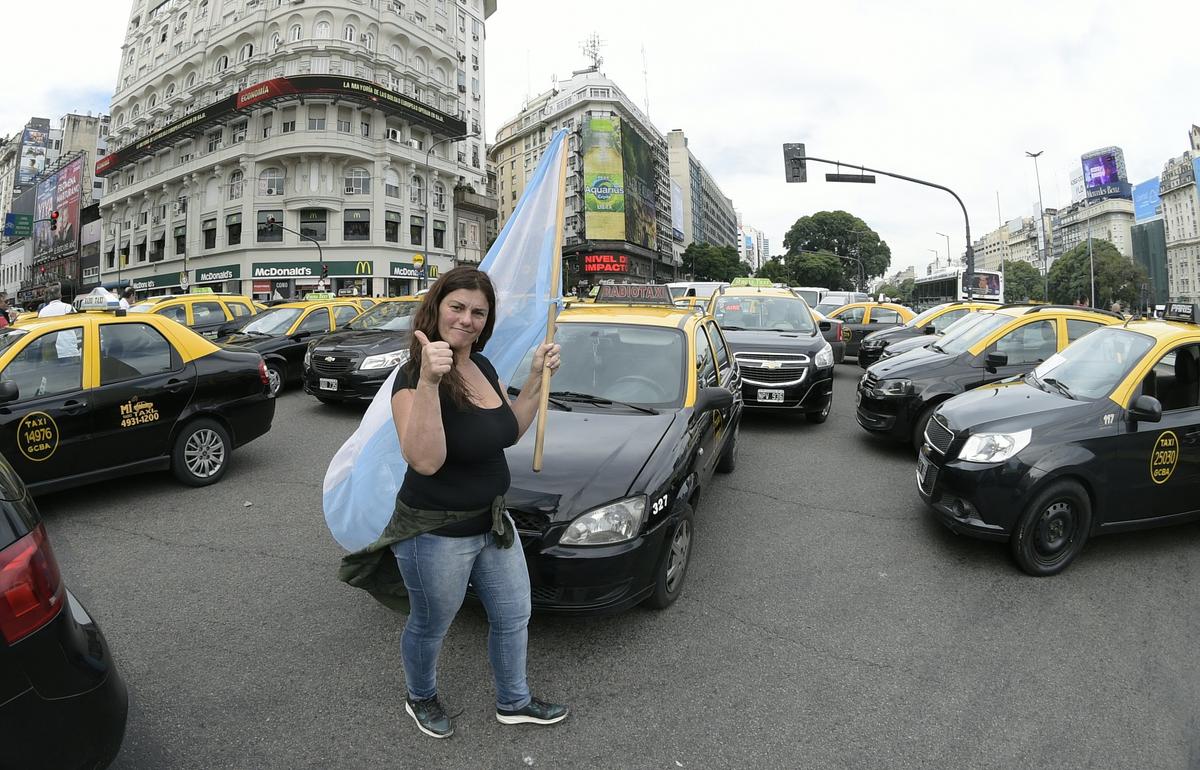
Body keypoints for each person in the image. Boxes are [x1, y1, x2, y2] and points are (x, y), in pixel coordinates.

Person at [340, 266, 567, 739]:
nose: (467, 320)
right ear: (436, 308)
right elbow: (425, 460)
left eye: (478, 312)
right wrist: (427, 382)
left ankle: (515, 701)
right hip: (436, 534)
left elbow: (510, 430)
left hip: (492, 525)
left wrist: (535, 378)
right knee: (431, 624)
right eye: (457, 307)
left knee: (513, 615)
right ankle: (420, 696)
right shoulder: (410, 378)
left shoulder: (481, 367)